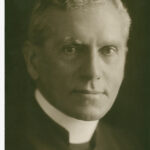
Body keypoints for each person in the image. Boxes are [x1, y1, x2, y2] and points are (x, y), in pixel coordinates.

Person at [6, 0, 143, 149]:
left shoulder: (131, 145)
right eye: (70, 49)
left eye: (108, 50)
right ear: (33, 61)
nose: (92, 72)